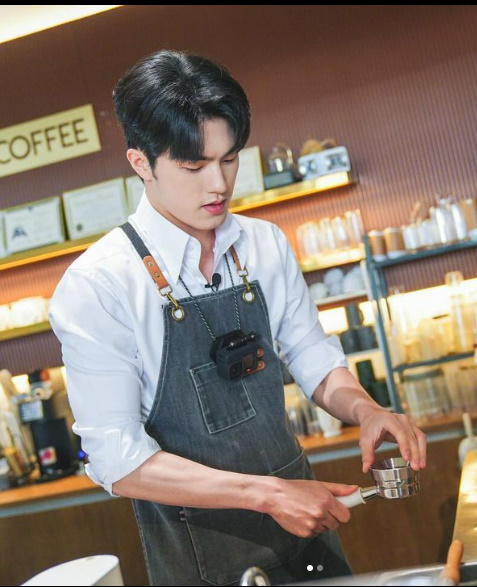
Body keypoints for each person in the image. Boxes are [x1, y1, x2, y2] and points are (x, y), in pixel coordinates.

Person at [49, 50, 427, 586]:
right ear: (141, 163)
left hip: (305, 529)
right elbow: (118, 461)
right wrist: (268, 495)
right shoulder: (100, 285)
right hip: (202, 553)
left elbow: (310, 354)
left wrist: (365, 409)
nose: (219, 185)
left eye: (229, 159)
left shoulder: (263, 243)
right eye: (194, 166)